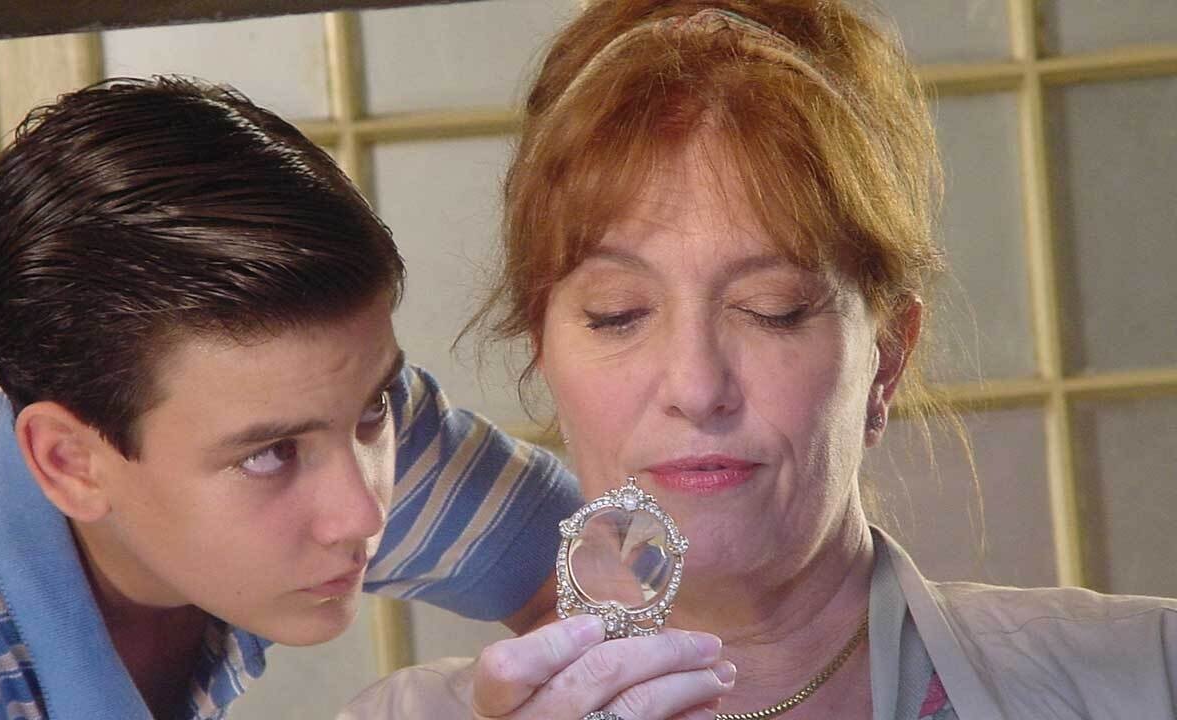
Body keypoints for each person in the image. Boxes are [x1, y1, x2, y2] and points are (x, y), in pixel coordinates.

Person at [338, 1, 1177, 719]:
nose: (697, 386)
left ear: (887, 357)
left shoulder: (1150, 672)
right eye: (618, 314)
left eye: (771, 311)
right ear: (543, 355)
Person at [0, 76, 724, 719]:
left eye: (375, 408)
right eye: (269, 456)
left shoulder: (320, 412)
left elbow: (606, 579)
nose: (362, 512)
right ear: (70, 463)